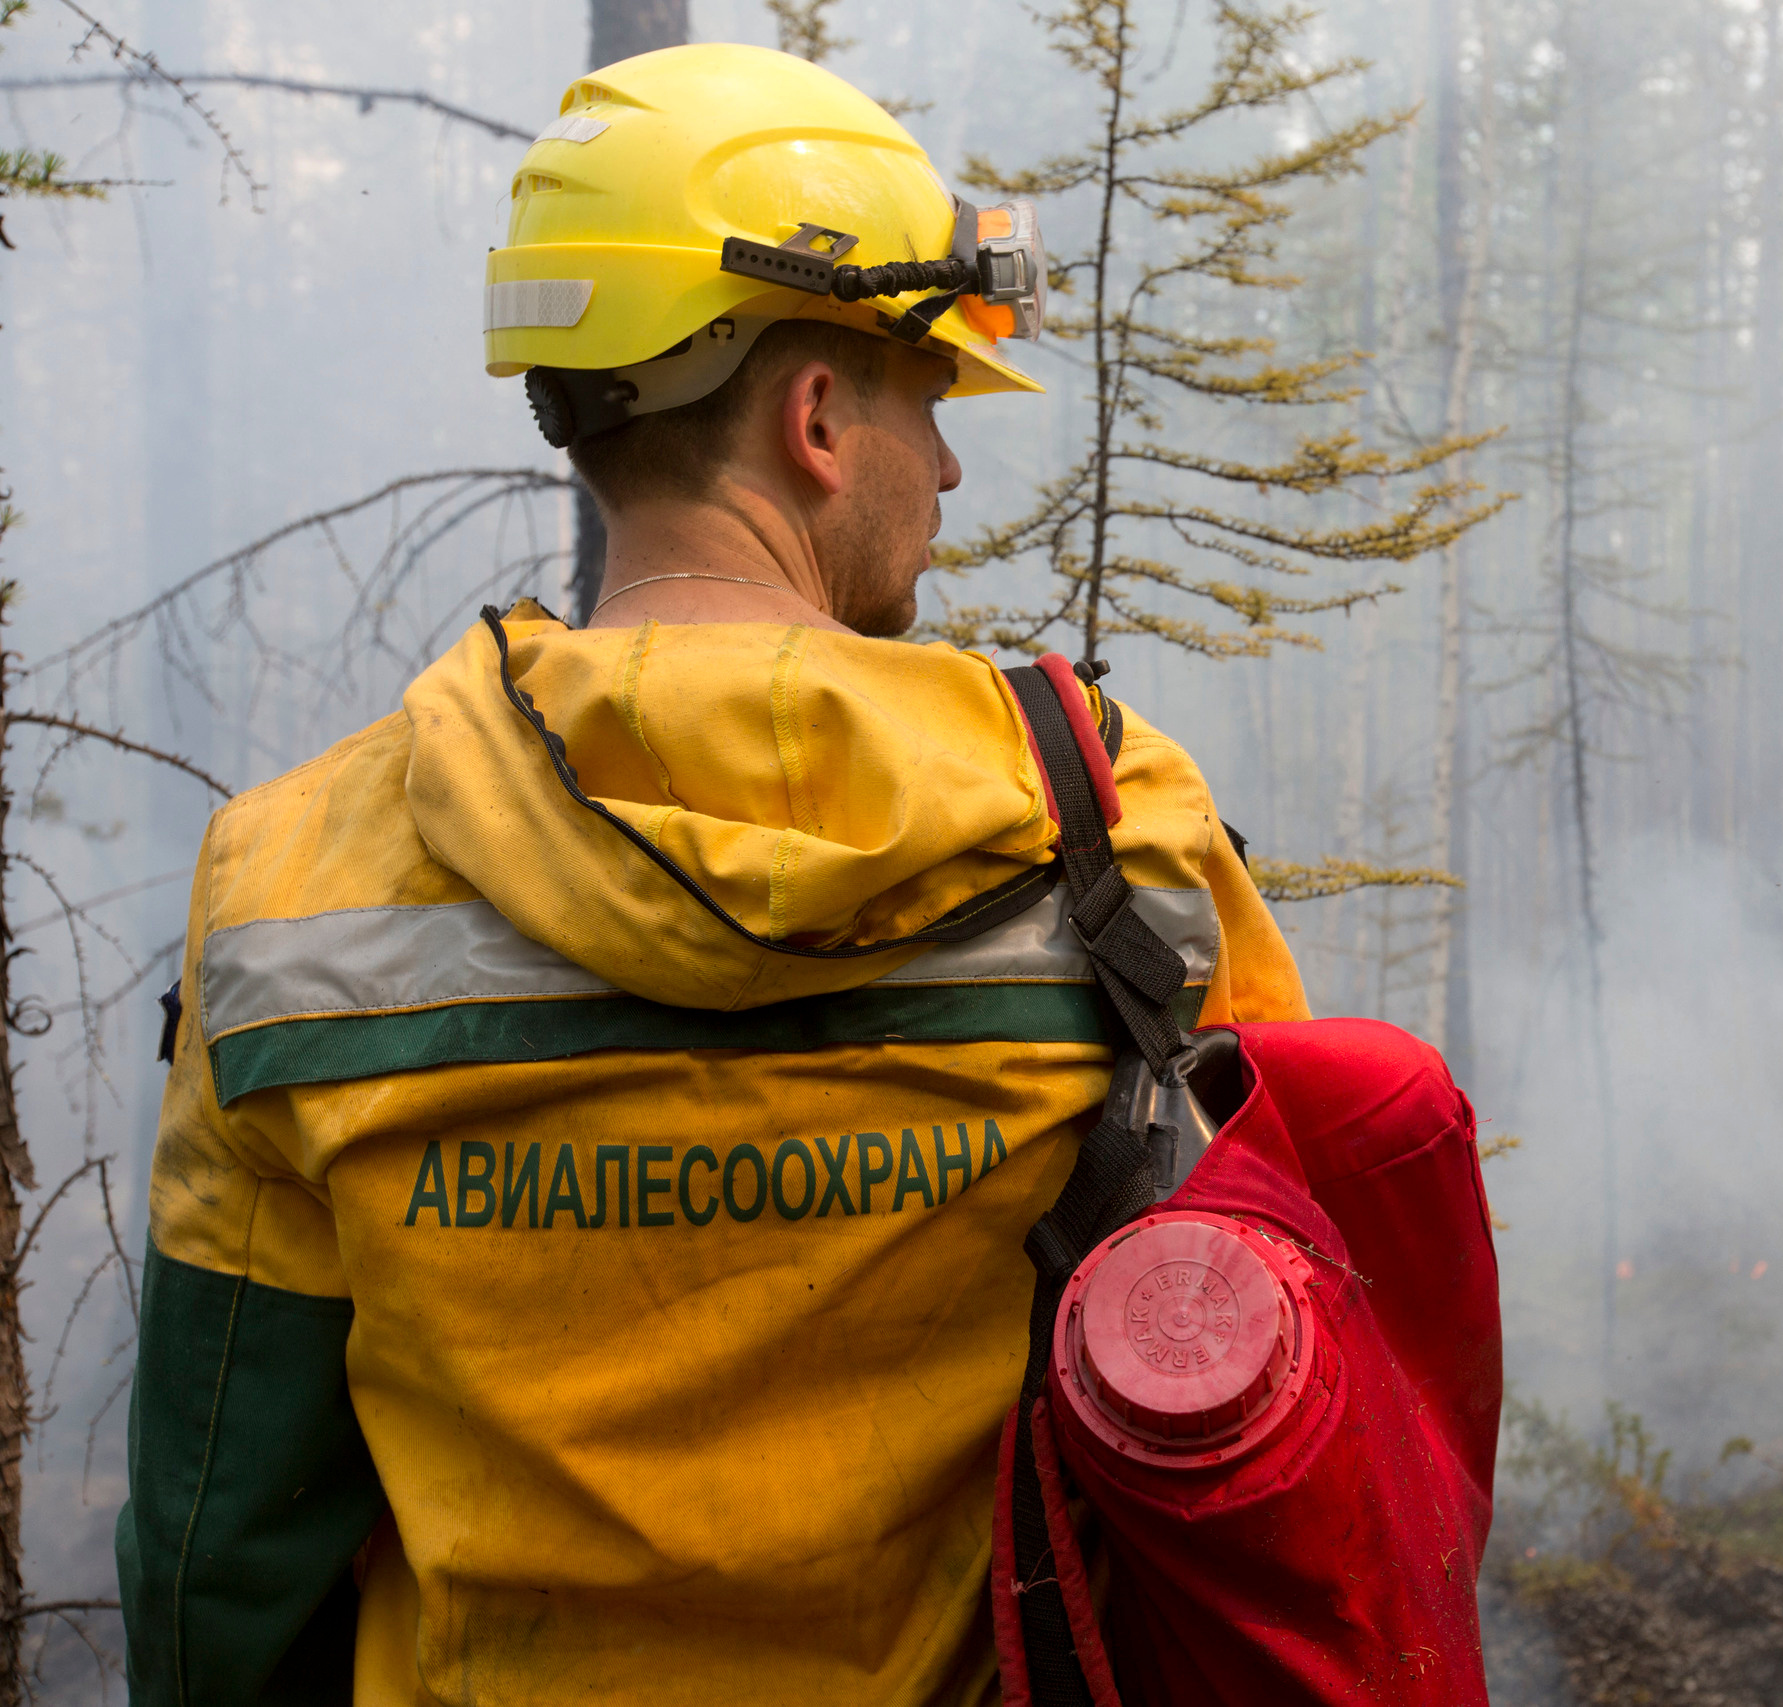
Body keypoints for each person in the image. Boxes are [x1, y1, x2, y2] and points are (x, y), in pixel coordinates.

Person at [115, 42, 1308, 1706]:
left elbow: (223, 1545)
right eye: (928, 399)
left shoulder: (293, 879)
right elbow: (1285, 1395)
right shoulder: (1110, 822)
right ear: (815, 418)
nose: (947, 469)